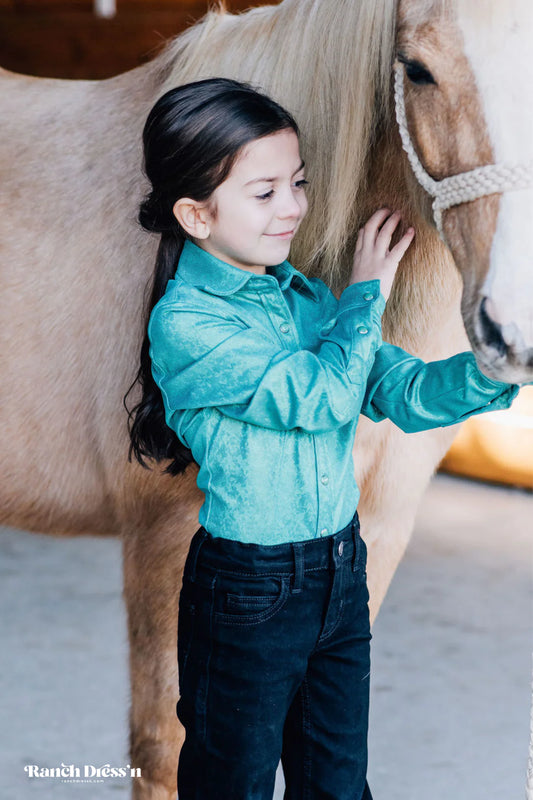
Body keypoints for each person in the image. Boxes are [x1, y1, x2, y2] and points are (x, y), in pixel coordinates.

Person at [125, 77, 520, 800]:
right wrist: (366, 293)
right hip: (249, 595)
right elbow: (321, 397)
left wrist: (503, 360)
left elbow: (405, 392)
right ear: (196, 214)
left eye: (298, 182)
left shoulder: (307, 300)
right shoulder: (188, 326)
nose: (293, 208)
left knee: (338, 787)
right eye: (265, 191)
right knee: (230, 785)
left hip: (339, 573)